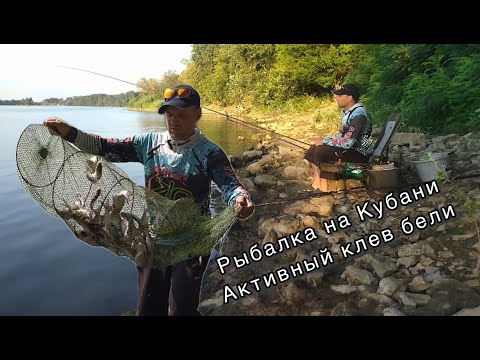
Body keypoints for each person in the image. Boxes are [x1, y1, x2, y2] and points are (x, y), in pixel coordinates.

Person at [44, 84, 255, 316]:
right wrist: (70, 133)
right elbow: (105, 148)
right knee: (147, 308)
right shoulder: (148, 143)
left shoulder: (209, 152)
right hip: (153, 242)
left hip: (192, 245)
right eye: (169, 114)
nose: (174, 121)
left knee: (182, 308)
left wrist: (241, 200)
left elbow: (230, 185)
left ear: (197, 114)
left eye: (182, 115)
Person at [304, 83, 373, 191]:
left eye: (340, 96)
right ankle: (316, 184)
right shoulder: (351, 112)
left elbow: (348, 142)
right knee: (314, 148)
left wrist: (325, 141)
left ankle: (324, 188)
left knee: (321, 151)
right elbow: (344, 135)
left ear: (350, 98)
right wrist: (326, 139)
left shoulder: (359, 115)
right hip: (351, 150)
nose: (336, 98)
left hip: (360, 154)